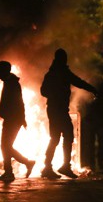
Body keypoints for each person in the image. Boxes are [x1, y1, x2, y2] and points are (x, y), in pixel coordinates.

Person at [40, 48, 98, 179]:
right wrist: (92, 89)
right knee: (63, 136)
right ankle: (57, 166)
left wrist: (92, 89)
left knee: (58, 137)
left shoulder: (53, 73)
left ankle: (52, 166)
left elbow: (44, 91)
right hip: (57, 110)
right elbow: (77, 82)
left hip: (56, 109)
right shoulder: (60, 73)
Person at [0, 61, 35, 182]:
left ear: (4, 71)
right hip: (12, 119)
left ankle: (23, 165)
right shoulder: (10, 82)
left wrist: (22, 118)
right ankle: (12, 170)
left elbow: (19, 102)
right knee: (6, 146)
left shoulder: (12, 83)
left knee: (5, 146)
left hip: (13, 120)